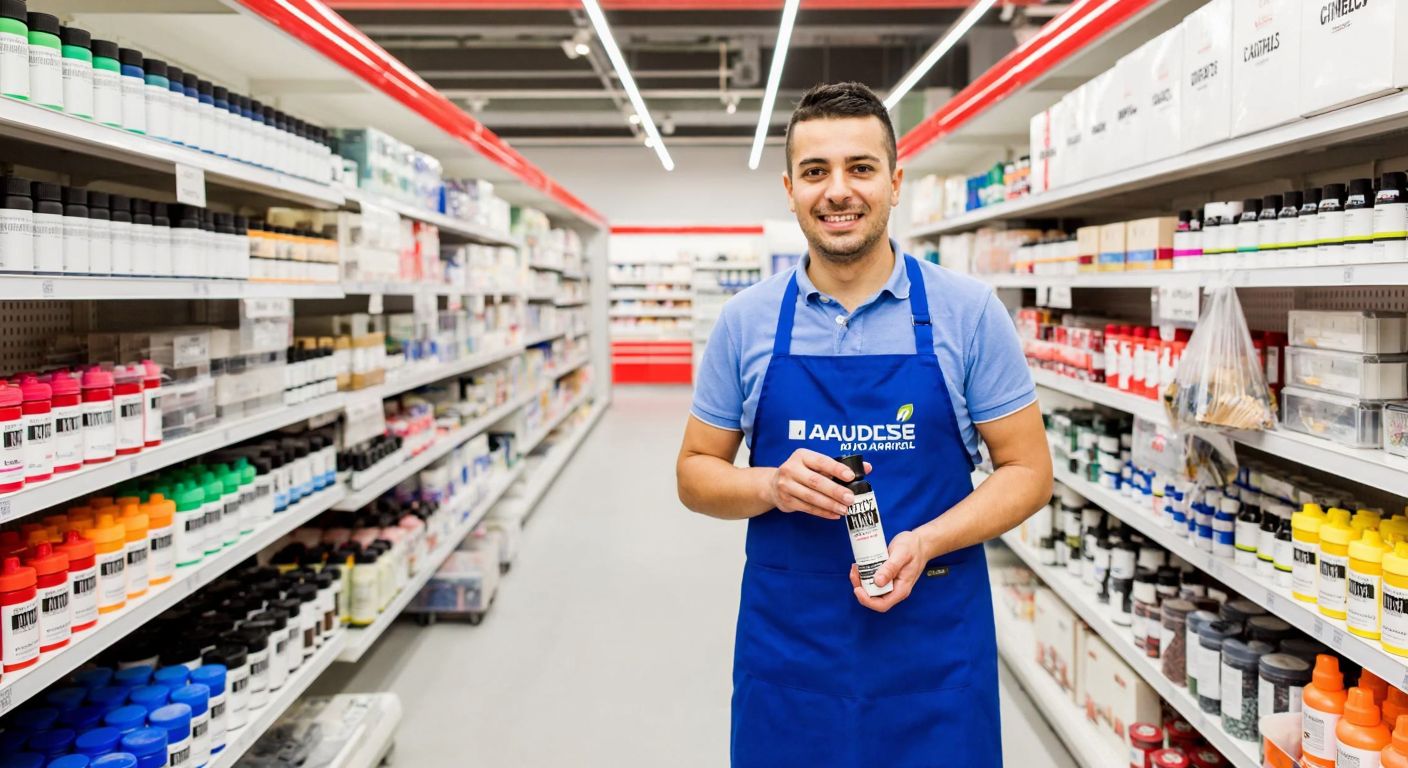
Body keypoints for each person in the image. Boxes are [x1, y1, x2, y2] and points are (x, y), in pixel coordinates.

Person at [675, 81, 1053, 766]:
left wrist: (928, 540)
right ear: (790, 189)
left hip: (932, 642)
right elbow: (695, 473)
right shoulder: (747, 321)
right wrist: (769, 486)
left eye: (861, 168)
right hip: (793, 648)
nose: (838, 190)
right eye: (816, 172)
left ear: (895, 181)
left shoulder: (968, 312)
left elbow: (1028, 472)